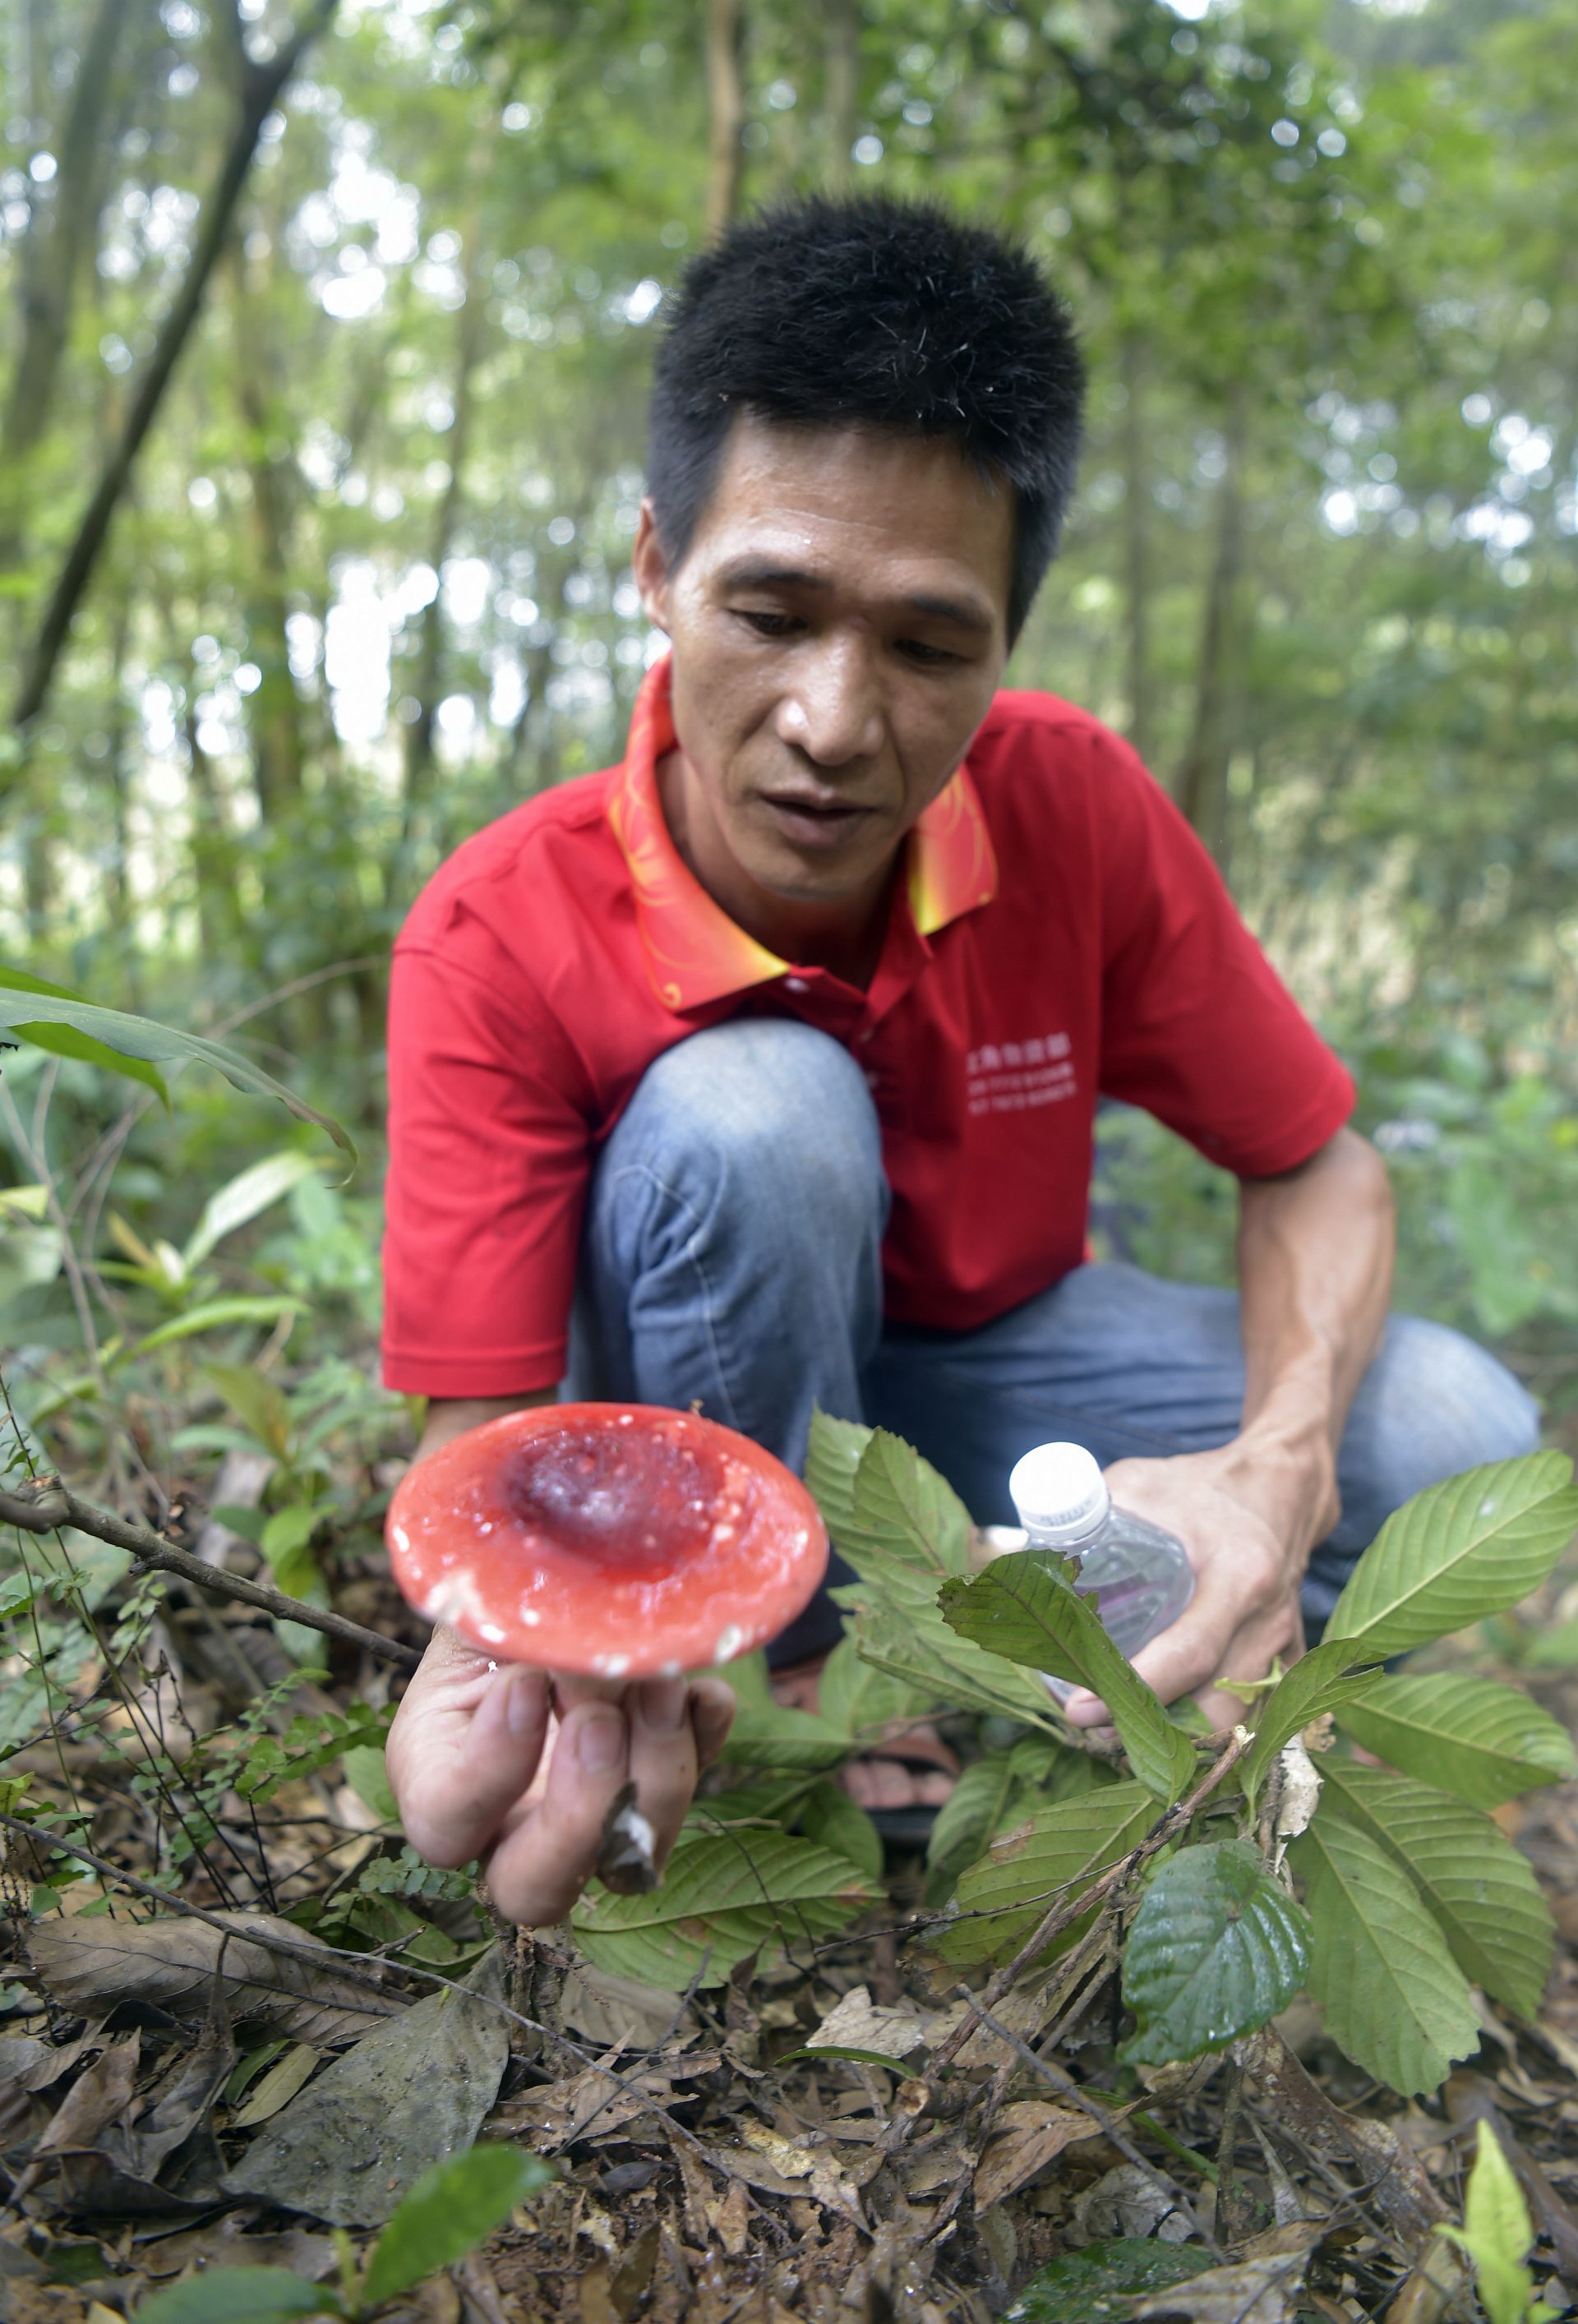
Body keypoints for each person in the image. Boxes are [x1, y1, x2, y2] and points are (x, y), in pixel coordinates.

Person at [380, 193, 1540, 1927]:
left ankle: (1039, 1679)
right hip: (695, 1417)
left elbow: (1319, 1163)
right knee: (755, 1111)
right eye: (770, 611)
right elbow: (480, 1447)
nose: (837, 725)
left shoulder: (1072, 803)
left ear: (1008, 639)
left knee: (1457, 1419)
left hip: (985, 1373)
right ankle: (770, 1687)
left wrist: (1269, 1481)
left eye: (928, 646)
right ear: (653, 568)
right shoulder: (498, 924)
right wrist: (514, 1650)